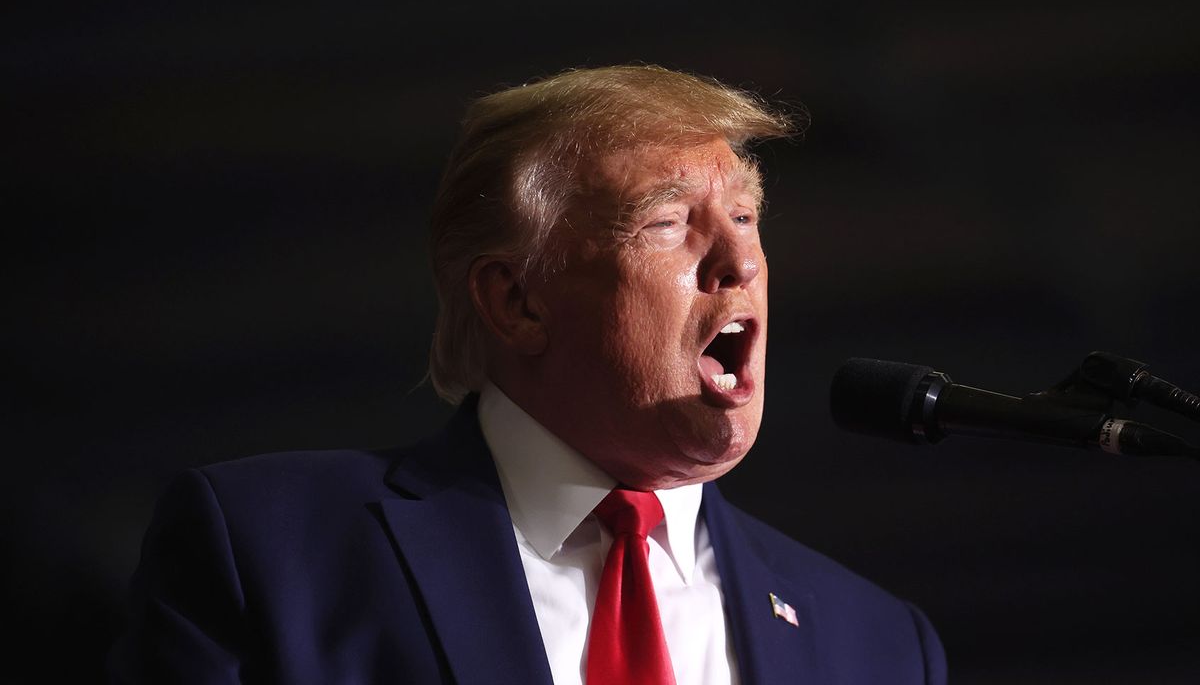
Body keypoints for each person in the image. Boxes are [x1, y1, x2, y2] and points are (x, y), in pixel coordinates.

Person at [109, 65, 947, 684]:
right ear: (517, 301)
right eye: (666, 221)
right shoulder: (271, 551)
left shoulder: (876, 647)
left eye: (743, 216)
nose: (738, 261)